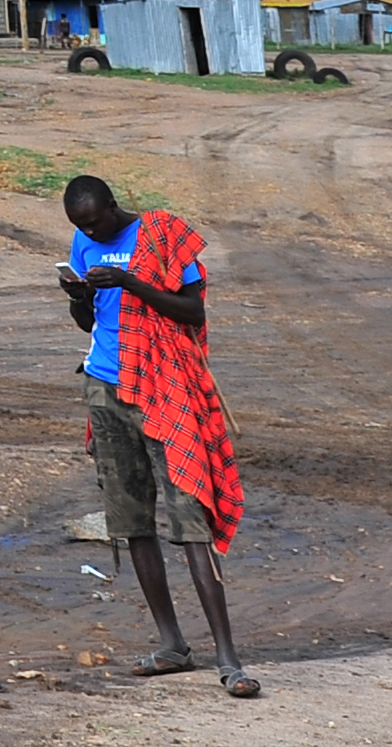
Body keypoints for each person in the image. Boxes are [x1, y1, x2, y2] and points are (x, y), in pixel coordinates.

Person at [58, 173, 255, 694]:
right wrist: (77, 296)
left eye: (96, 224)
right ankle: (172, 644)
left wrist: (131, 283)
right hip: (106, 386)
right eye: (81, 229)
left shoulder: (162, 235)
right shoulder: (82, 242)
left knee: (191, 515)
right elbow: (90, 321)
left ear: (113, 207)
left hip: (167, 389)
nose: (91, 236)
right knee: (132, 518)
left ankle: (229, 658)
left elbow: (192, 310)